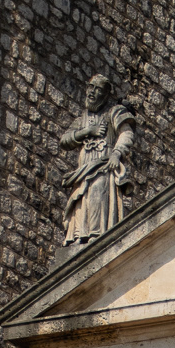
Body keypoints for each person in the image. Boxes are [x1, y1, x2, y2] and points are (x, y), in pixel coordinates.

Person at [59, 73, 136, 248]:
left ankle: (95, 239)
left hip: (102, 165)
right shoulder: (82, 120)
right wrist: (87, 132)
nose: (92, 92)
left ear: (106, 94)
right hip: (82, 170)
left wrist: (117, 153)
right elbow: (64, 141)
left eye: (98, 89)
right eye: (90, 87)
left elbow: (126, 132)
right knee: (80, 204)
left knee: (96, 199)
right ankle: (80, 239)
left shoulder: (114, 112)